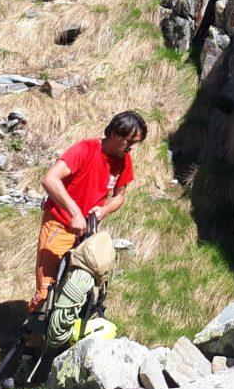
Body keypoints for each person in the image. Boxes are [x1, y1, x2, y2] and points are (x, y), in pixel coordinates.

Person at [26, 111, 147, 314]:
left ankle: (61, 337)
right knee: (47, 289)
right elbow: (50, 179)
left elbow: (120, 196)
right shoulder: (86, 149)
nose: (133, 148)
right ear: (115, 134)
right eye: (129, 141)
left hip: (87, 232)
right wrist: (74, 212)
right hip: (60, 225)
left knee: (77, 289)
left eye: (136, 143)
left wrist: (104, 210)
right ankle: (32, 339)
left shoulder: (124, 160)